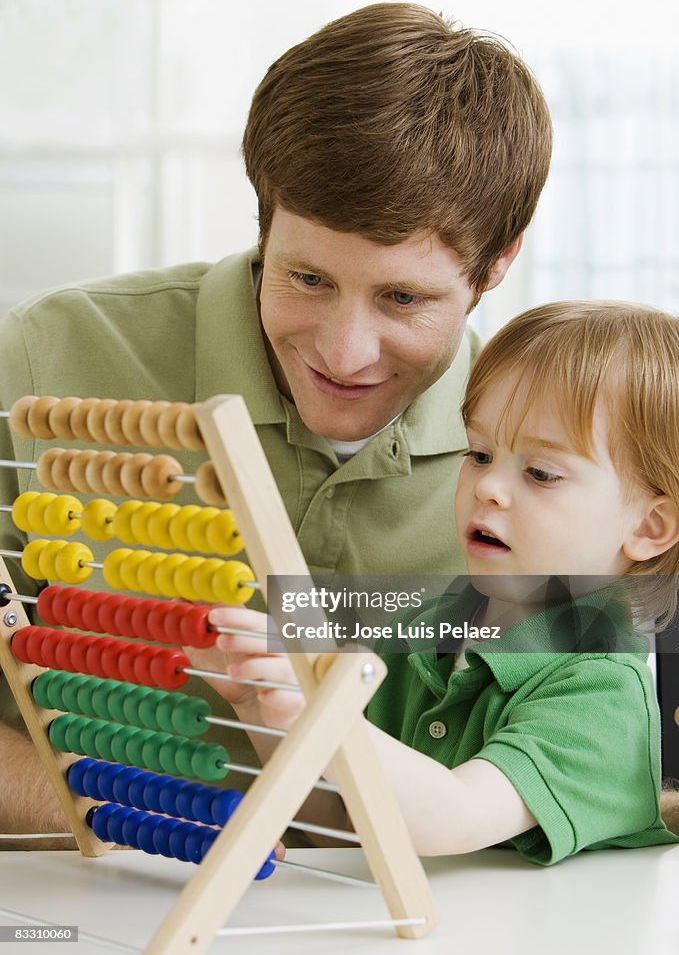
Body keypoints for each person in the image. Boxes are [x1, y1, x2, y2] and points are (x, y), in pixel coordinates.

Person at [0, 2, 552, 838]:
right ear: (264, 214)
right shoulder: (47, 359)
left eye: (402, 297)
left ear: (497, 262)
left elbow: (602, 734)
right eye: (307, 279)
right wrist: (126, 830)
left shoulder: (556, 455)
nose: (345, 350)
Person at [203, 300, 679, 862]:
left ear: (649, 528)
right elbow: (344, 821)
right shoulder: (421, 634)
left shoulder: (601, 695)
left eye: (541, 473)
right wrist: (266, 709)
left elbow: (454, 818)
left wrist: (321, 715)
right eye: (479, 453)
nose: (489, 488)